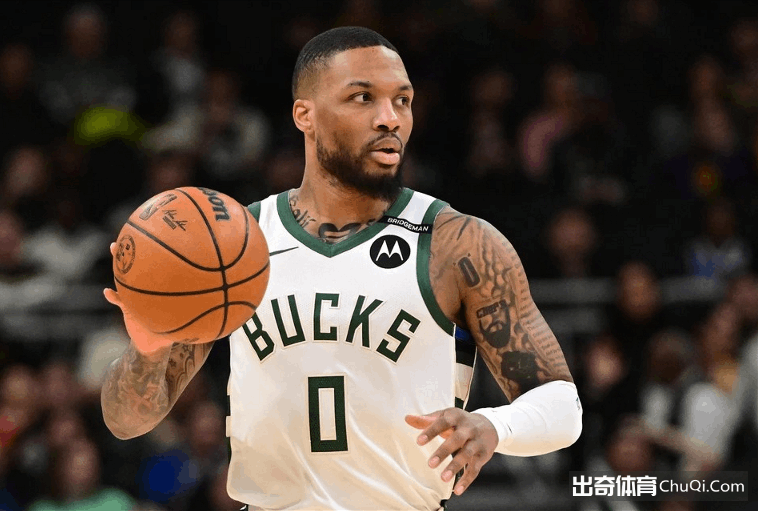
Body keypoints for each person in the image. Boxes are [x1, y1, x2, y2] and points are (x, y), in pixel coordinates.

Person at [101, 27, 582, 511]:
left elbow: (563, 406)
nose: (389, 118)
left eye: (403, 100)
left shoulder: (457, 243)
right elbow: (126, 421)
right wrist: (148, 349)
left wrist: (495, 425)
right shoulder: (236, 245)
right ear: (304, 115)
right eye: (362, 97)